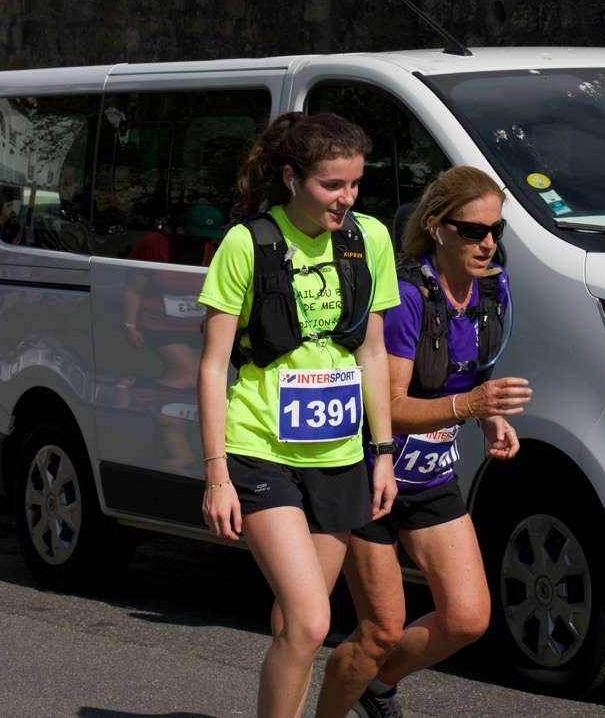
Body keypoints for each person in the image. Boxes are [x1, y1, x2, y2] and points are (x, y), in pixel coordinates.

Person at [197, 112, 400, 718]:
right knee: (312, 620)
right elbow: (212, 366)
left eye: (355, 184)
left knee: (294, 623)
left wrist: (383, 452)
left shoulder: (369, 239)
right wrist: (216, 474)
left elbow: (372, 352)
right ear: (292, 177)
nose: (347, 198)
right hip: (260, 447)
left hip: (338, 452)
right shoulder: (248, 242)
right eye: (331, 185)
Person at [318, 166, 532, 718]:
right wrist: (470, 407)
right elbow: (387, 406)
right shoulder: (408, 295)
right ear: (436, 226)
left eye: (496, 231)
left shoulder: (493, 288)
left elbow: (472, 371)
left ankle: (374, 688)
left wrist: (489, 417)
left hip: (431, 474)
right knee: (380, 629)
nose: (488, 244)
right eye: (473, 231)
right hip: (373, 475)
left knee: (467, 618)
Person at [121, 204, 224, 467]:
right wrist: (129, 325)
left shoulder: (214, 250)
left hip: (196, 329)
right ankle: (139, 390)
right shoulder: (155, 245)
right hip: (158, 324)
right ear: (182, 228)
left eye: (207, 236)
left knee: (198, 384)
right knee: (190, 373)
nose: (201, 241)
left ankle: (167, 447)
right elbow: (133, 287)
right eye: (196, 234)